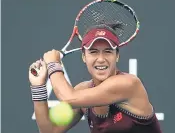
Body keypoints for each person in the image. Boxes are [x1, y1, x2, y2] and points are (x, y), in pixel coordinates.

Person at [29, 24, 162, 133]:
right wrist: (38, 86)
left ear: (117, 56)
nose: (101, 59)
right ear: (84, 57)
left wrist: (53, 63)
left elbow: (67, 97)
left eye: (108, 51)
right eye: (93, 52)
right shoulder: (82, 90)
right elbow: (49, 131)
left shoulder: (129, 84)